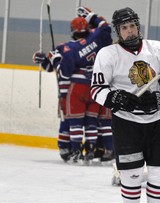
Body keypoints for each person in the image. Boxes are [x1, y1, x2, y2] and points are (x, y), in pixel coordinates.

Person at [90, 7, 160, 203]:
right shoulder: (108, 54)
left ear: (138, 26)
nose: (129, 31)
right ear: (117, 31)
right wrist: (116, 99)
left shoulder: (156, 49)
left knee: (159, 174)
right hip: (126, 125)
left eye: (132, 26)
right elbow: (97, 90)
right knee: (131, 176)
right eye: (124, 28)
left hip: (156, 123)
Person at [34, 7, 113, 164]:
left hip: (74, 89)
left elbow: (62, 71)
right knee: (94, 121)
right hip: (98, 87)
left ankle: (70, 149)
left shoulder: (67, 48)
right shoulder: (98, 40)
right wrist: (91, 16)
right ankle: (94, 149)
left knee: (71, 121)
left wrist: (48, 59)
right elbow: (105, 27)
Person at [32, 43, 71, 162]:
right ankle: (65, 147)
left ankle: (93, 147)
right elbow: (50, 67)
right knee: (66, 120)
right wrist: (44, 59)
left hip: (82, 90)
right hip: (67, 92)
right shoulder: (66, 48)